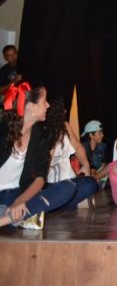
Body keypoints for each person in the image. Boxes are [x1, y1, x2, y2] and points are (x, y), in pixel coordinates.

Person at [0, 83, 77, 230]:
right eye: (44, 101)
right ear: (32, 107)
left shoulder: (41, 136)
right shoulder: (3, 131)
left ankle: (11, 217)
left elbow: (41, 177)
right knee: (10, 198)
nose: (48, 105)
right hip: (3, 197)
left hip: (19, 194)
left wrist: (20, 200)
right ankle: (18, 217)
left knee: (68, 187)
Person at [45, 97, 99, 208]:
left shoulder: (64, 126)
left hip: (70, 181)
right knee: (65, 190)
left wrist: (86, 164)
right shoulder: (42, 132)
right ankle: (70, 204)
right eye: (62, 109)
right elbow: (43, 169)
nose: (65, 112)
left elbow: (78, 146)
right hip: (52, 185)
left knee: (91, 184)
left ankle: (63, 205)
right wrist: (54, 144)